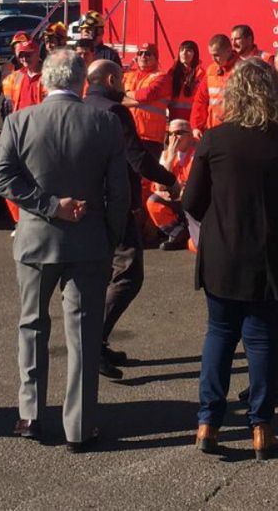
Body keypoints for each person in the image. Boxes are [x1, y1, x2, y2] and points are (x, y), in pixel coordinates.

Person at [0, 48, 130, 451]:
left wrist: (48, 206)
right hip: (89, 241)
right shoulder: (104, 123)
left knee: (32, 324)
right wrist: (109, 234)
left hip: (35, 239)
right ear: (80, 80)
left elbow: (1, 179)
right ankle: (80, 427)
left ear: (47, 81)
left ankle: (30, 414)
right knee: (83, 334)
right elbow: (119, 192)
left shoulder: (19, 121)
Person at [182, 59, 278, 459]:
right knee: (261, 341)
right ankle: (261, 427)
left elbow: (191, 201)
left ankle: (208, 422)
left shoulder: (215, 139)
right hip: (271, 258)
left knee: (218, 336)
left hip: (223, 255)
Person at [85, 59, 179, 379]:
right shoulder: (115, 111)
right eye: (121, 79)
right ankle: (92, 343)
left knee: (106, 275)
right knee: (128, 274)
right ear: (111, 79)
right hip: (115, 204)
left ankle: (97, 341)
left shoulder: (83, 107)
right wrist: (169, 179)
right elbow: (137, 158)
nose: (124, 85)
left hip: (88, 206)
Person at [146, 119, 197, 250]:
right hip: (175, 200)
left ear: (190, 135)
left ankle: (193, 235)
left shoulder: (198, 153)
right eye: (170, 133)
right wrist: (171, 157)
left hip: (193, 201)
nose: (174, 137)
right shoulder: (166, 154)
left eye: (179, 133)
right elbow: (159, 185)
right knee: (153, 202)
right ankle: (179, 235)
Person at [123, 44, 173, 156]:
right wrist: (135, 101)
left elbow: (146, 94)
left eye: (148, 53)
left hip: (150, 138)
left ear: (156, 58)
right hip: (128, 134)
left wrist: (125, 95)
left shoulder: (162, 77)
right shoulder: (128, 76)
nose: (143, 56)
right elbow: (115, 95)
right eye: (140, 53)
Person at [191, 34, 238, 137]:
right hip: (213, 129)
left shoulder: (242, 69)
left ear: (229, 51)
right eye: (211, 55)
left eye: (216, 55)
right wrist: (196, 126)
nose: (213, 59)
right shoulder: (211, 70)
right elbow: (200, 100)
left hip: (235, 130)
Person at [2, 33, 45, 116]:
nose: (24, 59)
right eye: (21, 56)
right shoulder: (13, 78)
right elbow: (9, 104)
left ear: (37, 54)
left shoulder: (49, 76)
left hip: (41, 123)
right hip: (20, 123)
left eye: (28, 55)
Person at [167, 40, 203, 124]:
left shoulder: (201, 74)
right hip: (173, 118)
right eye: (182, 50)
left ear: (195, 54)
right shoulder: (172, 72)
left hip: (192, 119)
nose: (184, 53)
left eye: (188, 51)